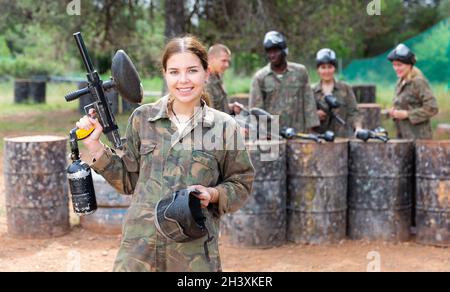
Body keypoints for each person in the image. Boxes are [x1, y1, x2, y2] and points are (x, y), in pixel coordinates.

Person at [76, 36, 255, 272]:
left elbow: (242, 183)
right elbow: (129, 181)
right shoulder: (143, 119)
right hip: (140, 250)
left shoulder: (223, 127)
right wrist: (95, 147)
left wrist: (213, 194)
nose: (183, 80)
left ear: (206, 74)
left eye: (192, 70)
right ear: (165, 74)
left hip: (192, 254)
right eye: (174, 72)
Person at [249, 31, 319, 133]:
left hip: (298, 132)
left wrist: (312, 129)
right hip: (273, 136)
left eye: (275, 51)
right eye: (269, 51)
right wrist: (261, 135)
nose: (272, 55)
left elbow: (309, 102)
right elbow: (255, 110)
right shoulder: (260, 77)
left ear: (284, 51)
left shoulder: (300, 72)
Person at [387, 43, 438, 139]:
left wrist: (407, 114)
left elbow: (432, 108)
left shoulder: (418, 82)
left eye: (399, 65)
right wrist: (395, 112)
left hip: (419, 138)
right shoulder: (400, 82)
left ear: (409, 65)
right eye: (394, 65)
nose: (396, 68)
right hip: (403, 136)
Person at [312, 48, 361, 138]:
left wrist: (358, 128)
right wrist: (315, 115)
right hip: (319, 139)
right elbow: (305, 115)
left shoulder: (345, 88)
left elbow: (353, 112)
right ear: (318, 69)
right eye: (323, 67)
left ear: (334, 68)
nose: (327, 71)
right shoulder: (312, 91)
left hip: (343, 138)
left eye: (330, 67)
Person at [206, 44, 242, 114]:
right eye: (224, 61)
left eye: (228, 61)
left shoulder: (217, 77)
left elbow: (218, 107)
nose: (227, 65)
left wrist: (231, 108)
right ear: (212, 58)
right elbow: (209, 114)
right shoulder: (205, 81)